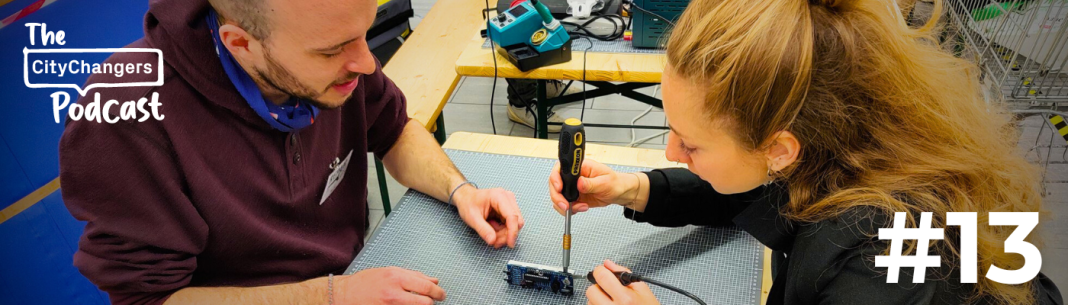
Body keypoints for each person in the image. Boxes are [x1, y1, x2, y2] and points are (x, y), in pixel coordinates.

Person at [547, 0, 1064, 304]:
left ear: (778, 148)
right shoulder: (845, 135)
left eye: (692, 143)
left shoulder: (880, 266)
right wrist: (630, 189)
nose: (671, 150)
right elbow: (752, 188)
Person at [58, 0, 525, 304]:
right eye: (332, 51)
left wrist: (459, 189)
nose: (365, 63)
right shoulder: (127, 115)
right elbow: (151, 300)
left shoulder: (338, 54)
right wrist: (332, 296)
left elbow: (394, 130)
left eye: (365, 33)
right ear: (240, 43)